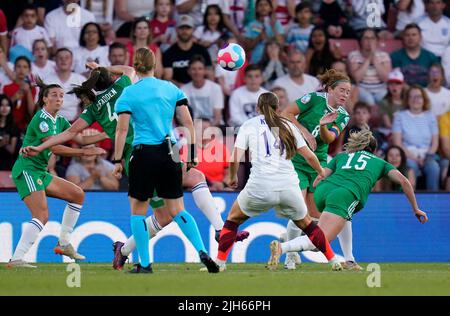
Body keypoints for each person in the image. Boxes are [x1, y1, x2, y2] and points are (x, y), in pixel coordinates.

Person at [23, 62, 248, 271]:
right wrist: (102, 66)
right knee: (170, 208)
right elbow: (129, 69)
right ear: (110, 78)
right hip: (149, 153)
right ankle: (210, 234)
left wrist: (42, 148)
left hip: (137, 159)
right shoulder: (123, 87)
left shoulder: (93, 110)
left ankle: (131, 251)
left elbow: (71, 133)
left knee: (178, 196)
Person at [112, 47, 219, 273]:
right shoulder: (171, 88)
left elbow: (121, 131)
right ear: (154, 65)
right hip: (170, 151)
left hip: (143, 153)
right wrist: (190, 154)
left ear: (136, 66)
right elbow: (188, 123)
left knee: (137, 210)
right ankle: (201, 250)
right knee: (178, 209)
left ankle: (145, 264)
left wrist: (117, 160)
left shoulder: (128, 94)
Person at [215, 92, 343, 272]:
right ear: (277, 108)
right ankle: (333, 260)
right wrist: (321, 171)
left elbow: (235, 157)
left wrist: (232, 177)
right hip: (288, 186)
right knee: (308, 225)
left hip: (260, 186)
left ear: (258, 108)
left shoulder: (249, 125)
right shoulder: (288, 126)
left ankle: (220, 263)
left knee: (232, 220)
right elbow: (309, 155)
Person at [270, 128, 428, 263]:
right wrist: (416, 208)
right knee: (320, 241)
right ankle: (282, 248)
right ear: (373, 150)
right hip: (344, 194)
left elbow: (321, 175)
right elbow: (404, 182)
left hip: (323, 191)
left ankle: (349, 260)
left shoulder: (341, 156)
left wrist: (319, 186)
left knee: (345, 217)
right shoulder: (380, 163)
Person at [6, 78, 105, 268]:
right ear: (44, 99)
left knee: (77, 194)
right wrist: (84, 152)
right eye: (54, 95)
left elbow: (80, 138)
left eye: (61, 95)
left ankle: (64, 243)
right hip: (27, 169)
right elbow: (56, 148)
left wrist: (107, 134)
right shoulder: (41, 119)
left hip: (40, 172)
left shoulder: (59, 120)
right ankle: (16, 259)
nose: (59, 98)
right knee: (41, 215)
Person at [281, 69, 358, 270]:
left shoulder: (342, 115)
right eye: (341, 90)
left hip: (318, 164)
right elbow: (285, 113)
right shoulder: (313, 99)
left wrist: (323, 126)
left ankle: (291, 239)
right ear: (330, 89)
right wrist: (304, 131)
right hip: (296, 160)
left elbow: (329, 139)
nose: (345, 95)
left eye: (348, 92)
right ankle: (289, 255)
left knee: (315, 217)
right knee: (298, 208)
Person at [392, 85, 440, 190]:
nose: (415, 100)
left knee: (434, 168)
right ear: (407, 100)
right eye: (411, 97)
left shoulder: (430, 116)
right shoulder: (399, 116)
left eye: (418, 96)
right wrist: (414, 158)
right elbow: (398, 143)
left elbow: (435, 142)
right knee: (411, 168)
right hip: (407, 155)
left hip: (427, 155)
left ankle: (433, 201)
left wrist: (427, 156)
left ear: (424, 99)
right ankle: (411, 204)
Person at [0, 94, 19, 170]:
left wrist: (4, 143)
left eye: (7, 105)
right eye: (2, 105)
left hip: (6, 163)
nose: (4, 108)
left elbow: (12, 150)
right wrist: (3, 142)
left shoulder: (13, 126)